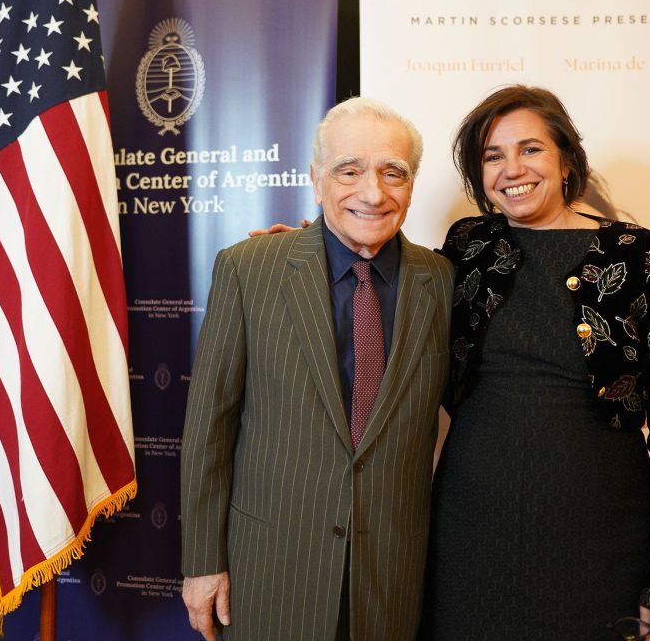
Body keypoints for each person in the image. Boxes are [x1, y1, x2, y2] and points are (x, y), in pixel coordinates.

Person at [422, 85, 650, 641]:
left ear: (566, 161)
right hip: (471, 533)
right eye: (492, 156)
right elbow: (392, 298)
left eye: (530, 149)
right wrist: (314, 253)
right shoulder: (467, 248)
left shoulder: (649, 258)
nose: (512, 169)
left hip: (601, 537)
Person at [180, 97, 454, 641]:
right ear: (316, 179)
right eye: (348, 171)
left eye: (392, 172)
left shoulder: (442, 281)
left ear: (412, 184)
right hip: (271, 573)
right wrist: (202, 561)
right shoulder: (249, 270)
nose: (373, 192)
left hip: (392, 578)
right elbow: (209, 427)